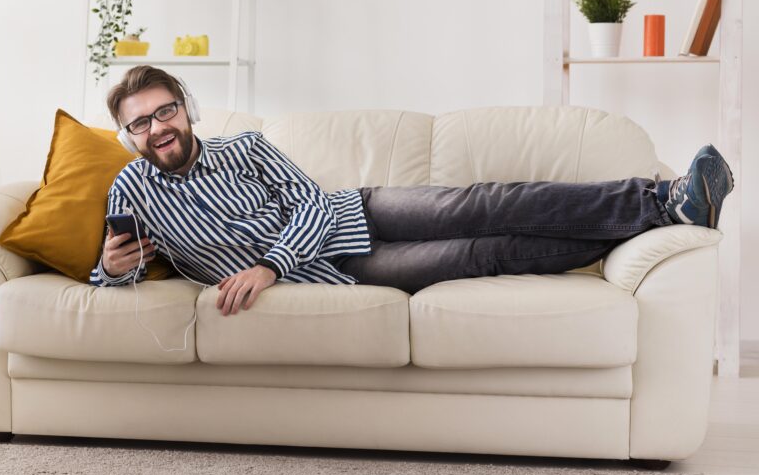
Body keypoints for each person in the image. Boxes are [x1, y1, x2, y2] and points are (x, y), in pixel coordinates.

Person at [89, 66, 735, 318]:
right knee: (483, 252)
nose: (157, 128)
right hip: (337, 274)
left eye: (165, 111)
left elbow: (313, 203)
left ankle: (661, 198)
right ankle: (638, 225)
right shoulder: (133, 187)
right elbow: (109, 273)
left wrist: (266, 264)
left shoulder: (245, 147)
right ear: (127, 135)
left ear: (187, 108)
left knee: (483, 202)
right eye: (139, 122)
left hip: (350, 215)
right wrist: (112, 270)